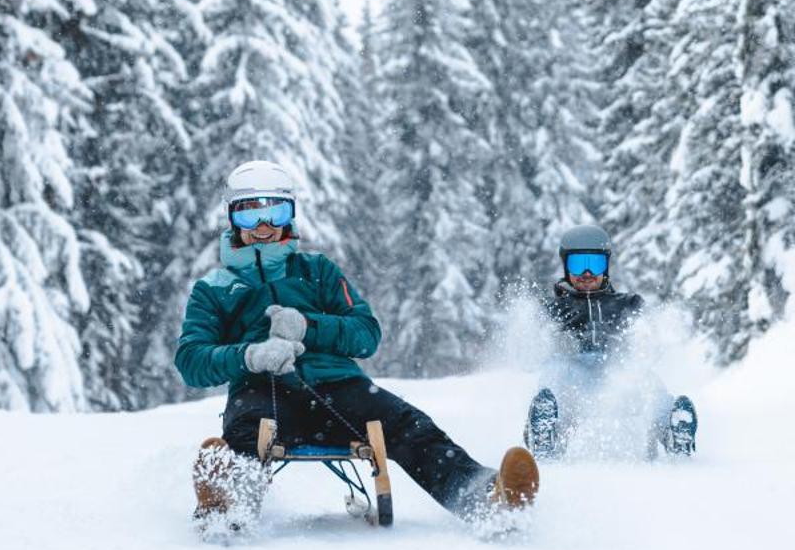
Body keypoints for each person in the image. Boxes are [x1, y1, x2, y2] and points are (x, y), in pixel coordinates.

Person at [176, 160, 539, 522]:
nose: (263, 227)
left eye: (275, 211)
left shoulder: (317, 271)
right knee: (245, 435)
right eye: (249, 215)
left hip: (337, 388)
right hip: (261, 392)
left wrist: (308, 326)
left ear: (290, 214)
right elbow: (191, 361)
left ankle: (484, 497)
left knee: (408, 424)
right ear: (231, 218)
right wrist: (250, 356)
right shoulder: (214, 288)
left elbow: (366, 334)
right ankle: (225, 504)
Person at [525, 224, 696, 459]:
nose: (587, 273)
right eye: (578, 264)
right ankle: (545, 435)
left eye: (594, 265)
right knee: (553, 376)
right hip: (574, 373)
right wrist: (554, 341)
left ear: (606, 266)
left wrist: (641, 345)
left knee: (648, 381)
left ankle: (673, 431)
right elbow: (536, 348)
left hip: (616, 371)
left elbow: (648, 338)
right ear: (566, 267)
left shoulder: (628, 303)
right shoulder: (554, 309)